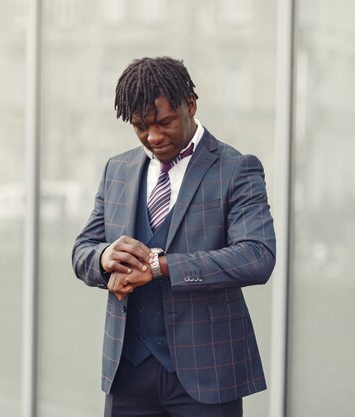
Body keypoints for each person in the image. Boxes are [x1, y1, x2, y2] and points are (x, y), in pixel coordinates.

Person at [72, 57, 276, 417]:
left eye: (164, 122)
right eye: (140, 127)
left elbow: (257, 256)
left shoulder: (236, 168)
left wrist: (160, 266)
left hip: (207, 376)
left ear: (191, 105)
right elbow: (82, 251)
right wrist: (105, 258)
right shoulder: (117, 170)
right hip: (128, 374)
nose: (153, 137)